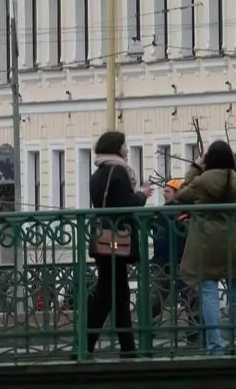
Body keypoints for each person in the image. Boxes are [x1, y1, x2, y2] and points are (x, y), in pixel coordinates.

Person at [173, 140, 236, 355]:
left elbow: (181, 195)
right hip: (233, 243)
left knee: (209, 294)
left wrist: (195, 168)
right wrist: (234, 174)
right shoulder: (235, 180)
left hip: (205, 243)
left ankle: (215, 345)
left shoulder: (202, 181)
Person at [83, 130, 148, 358]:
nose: (127, 149)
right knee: (109, 295)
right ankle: (86, 344)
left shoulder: (98, 172)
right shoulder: (118, 171)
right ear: (116, 147)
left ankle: (126, 347)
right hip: (117, 241)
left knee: (116, 294)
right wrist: (141, 195)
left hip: (103, 240)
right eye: (124, 145)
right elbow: (126, 205)